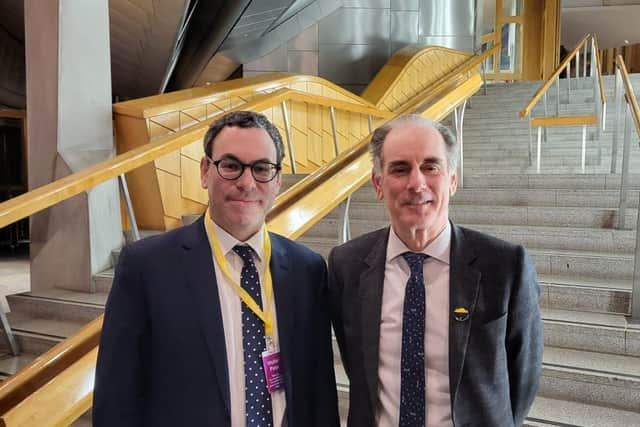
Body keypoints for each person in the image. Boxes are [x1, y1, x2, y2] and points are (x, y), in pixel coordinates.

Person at [94, 111, 340, 427]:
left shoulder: (307, 269)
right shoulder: (146, 267)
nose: (247, 183)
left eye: (262, 168)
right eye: (231, 166)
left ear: (278, 180)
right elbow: (116, 397)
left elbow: (318, 388)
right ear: (205, 172)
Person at [328, 115, 543, 427]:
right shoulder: (346, 266)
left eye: (431, 167)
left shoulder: (506, 267)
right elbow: (357, 366)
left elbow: (522, 381)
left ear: (452, 180)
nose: (416, 184)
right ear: (378, 184)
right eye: (400, 169)